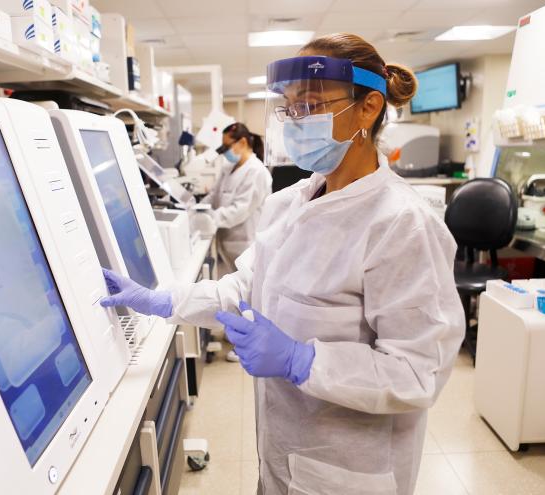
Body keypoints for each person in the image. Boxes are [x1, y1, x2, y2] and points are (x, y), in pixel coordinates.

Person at [101, 33, 465, 495]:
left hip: (349, 471)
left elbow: (418, 372)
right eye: (289, 108)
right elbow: (245, 286)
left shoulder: (402, 225)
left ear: (369, 107)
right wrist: (163, 299)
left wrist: (303, 360)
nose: (296, 121)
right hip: (282, 451)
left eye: (310, 105)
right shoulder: (290, 203)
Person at [203, 122, 272, 362]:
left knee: (248, 297)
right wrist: (201, 207)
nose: (224, 152)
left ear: (242, 142)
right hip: (226, 243)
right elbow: (215, 195)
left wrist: (212, 218)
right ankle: (236, 336)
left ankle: (247, 346)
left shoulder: (257, 172)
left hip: (245, 241)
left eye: (226, 146)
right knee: (232, 294)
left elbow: (241, 209)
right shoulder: (228, 168)